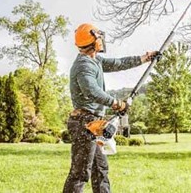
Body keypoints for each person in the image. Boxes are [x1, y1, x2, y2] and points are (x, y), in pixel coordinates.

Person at [63, 23, 159, 193]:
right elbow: (92, 91)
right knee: (80, 173)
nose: (102, 40)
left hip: (93, 122)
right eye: (99, 37)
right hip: (83, 123)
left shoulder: (95, 60)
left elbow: (118, 63)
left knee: (100, 170)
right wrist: (116, 103)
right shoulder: (84, 66)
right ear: (94, 41)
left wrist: (144, 58)